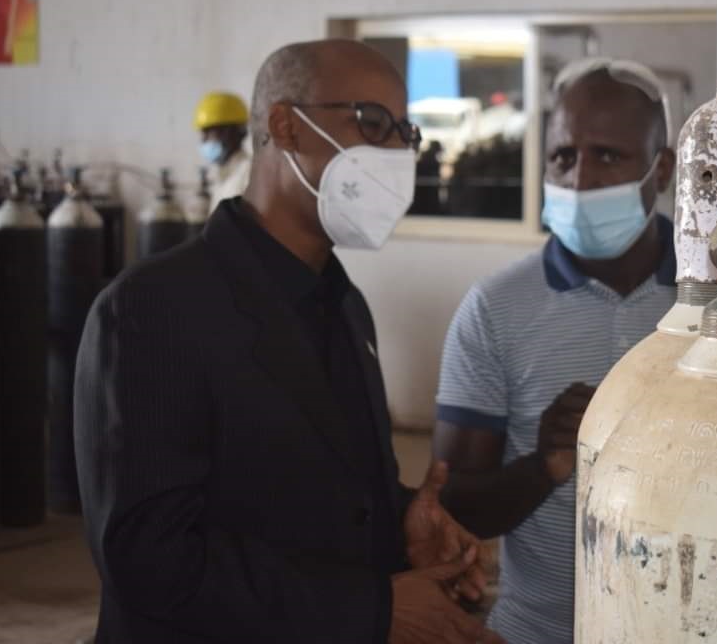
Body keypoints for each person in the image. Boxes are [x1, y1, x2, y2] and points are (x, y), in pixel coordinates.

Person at [75, 39, 502, 644]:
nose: (395, 152)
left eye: (404, 133)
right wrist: (372, 611)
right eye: (371, 122)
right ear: (285, 125)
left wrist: (400, 518)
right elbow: (148, 557)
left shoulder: (345, 306)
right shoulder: (153, 309)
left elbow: (308, 487)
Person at [432, 58, 678, 643]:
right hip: (539, 630)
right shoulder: (495, 308)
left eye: (608, 156)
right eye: (563, 156)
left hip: (689, 626)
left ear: (662, 170)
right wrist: (544, 465)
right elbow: (454, 508)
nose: (579, 180)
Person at [193, 90, 251, 213]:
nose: (204, 140)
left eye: (210, 132)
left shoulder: (249, 173)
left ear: (234, 133)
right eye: (203, 133)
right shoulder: (222, 178)